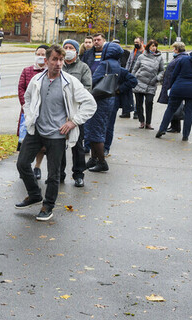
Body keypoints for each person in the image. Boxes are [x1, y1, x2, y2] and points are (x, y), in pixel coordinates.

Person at [15, 45, 97, 221]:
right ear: (46, 61)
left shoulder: (70, 82)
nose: (58, 63)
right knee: (22, 164)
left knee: (54, 174)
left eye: (61, 60)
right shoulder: (37, 79)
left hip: (57, 134)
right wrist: (30, 116)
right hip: (36, 130)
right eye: (54, 59)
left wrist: (73, 122)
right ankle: (34, 194)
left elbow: (90, 104)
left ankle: (48, 206)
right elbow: (27, 98)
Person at [83, 34, 122, 173]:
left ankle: (101, 161)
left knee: (94, 131)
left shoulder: (105, 63)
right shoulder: (116, 63)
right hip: (108, 99)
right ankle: (94, 159)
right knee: (99, 128)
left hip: (98, 100)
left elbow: (93, 80)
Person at [156, 43, 192, 142]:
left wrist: (171, 86)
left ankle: (162, 129)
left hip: (178, 88)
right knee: (189, 113)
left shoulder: (183, 59)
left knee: (170, 109)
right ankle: (185, 135)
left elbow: (174, 74)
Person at [59, 39, 92, 187]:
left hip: (76, 112)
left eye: (71, 47)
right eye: (65, 47)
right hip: (59, 112)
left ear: (77, 51)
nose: (68, 50)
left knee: (78, 145)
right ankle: (59, 173)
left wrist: (73, 98)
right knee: (59, 144)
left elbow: (87, 88)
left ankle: (79, 174)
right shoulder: (59, 66)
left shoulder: (83, 68)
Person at [17, 45, 49, 176]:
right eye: (38, 54)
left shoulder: (49, 72)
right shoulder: (27, 71)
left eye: (43, 54)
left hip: (43, 113)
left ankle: (37, 166)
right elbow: (21, 89)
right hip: (27, 112)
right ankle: (24, 167)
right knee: (25, 140)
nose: (40, 57)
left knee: (40, 143)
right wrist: (26, 106)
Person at [131, 39, 164, 130]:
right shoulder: (141, 56)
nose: (154, 48)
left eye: (155, 46)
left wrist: (157, 78)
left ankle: (148, 123)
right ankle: (142, 121)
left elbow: (162, 70)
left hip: (151, 84)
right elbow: (135, 69)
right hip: (139, 82)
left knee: (149, 102)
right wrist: (133, 79)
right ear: (148, 47)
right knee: (139, 104)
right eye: (152, 46)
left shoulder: (159, 57)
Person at [156, 41, 188, 134]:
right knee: (173, 106)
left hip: (174, 86)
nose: (173, 50)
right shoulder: (179, 58)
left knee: (173, 106)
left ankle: (175, 127)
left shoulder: (180, 59)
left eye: (174, 48)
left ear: (177, 49)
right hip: (172, 85)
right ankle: (174, 126)